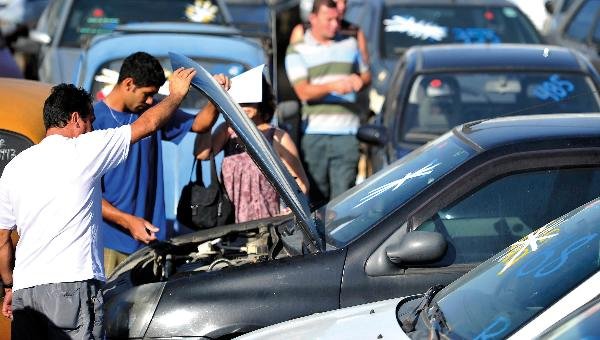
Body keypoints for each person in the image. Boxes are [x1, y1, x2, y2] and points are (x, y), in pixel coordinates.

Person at [0, 67, 196, 338]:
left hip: (26, 293)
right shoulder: (84, 149)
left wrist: (10, 286)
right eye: (91, 121)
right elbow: (147, 125)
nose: (93, 128)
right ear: (76, 119)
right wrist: (175, 96)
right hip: (70, 287)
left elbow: (2, 239)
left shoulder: (14, 167)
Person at [94, 51, 230, 276]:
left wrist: (215, 96)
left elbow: (200, 124)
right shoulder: (95, 121)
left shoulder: (153, 112)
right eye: (147, 94)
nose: (150, 101)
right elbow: (85, 194)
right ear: (128, 84)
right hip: (110, 245)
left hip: (150, 243)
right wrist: (128, 221)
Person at [285, 0, 371, 207]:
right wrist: (335, 85)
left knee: (346, 201)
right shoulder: (298, 49)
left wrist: (360, 80)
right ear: (313, 18)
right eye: (329, 19)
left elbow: (366, 74)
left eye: (338, 19)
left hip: (347, 134)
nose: (335, 24)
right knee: (316, 199)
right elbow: (303, 90)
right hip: (315, 134)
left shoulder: (350, 42)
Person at [195, 73, 309, 223]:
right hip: (229, 225)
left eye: (250, 100)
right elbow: (202, 154)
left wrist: (288, 213)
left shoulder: (277, 136)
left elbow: (301, 184)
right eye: (239, 100)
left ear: (261, 100)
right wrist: (210, 113)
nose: (244, 105)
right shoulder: (227, 131)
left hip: (267, 227)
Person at [289, 0, 370, 68]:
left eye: (345, 2)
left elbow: (364, 69)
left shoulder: (354, 32)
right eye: (336, 1)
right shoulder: (302, 31)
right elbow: (294, 67)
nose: (342, 6)